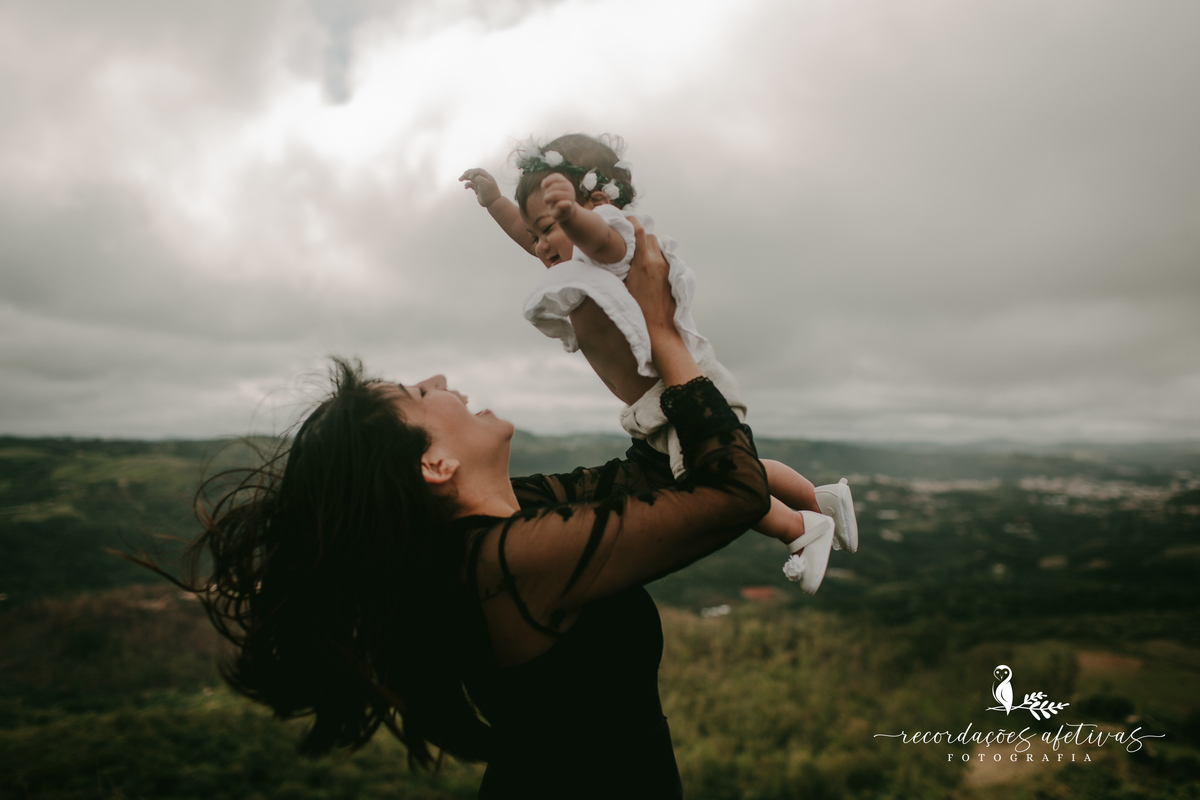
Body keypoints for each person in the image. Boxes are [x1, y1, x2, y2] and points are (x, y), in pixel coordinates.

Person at [140, 225, 774, 797]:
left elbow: (653, 475)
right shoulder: (505, 562)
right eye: (420, 394)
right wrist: (662, 332)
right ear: (434, 465)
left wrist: (610, 317)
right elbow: (731, 494)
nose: (440, 380)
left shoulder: (510, 516)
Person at [460, 133, 858, 593]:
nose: (540, 246)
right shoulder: (569, 259)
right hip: (659, 400)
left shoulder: (615, 240)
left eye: (548, 228)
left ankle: (800, 529)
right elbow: (531, 235)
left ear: (598, 202)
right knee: (739, 464)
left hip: (684, 387)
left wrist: (573, 217)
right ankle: (822, 499)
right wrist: (494, 204)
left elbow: (604, 239)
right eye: (536, 232)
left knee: (711, 480)